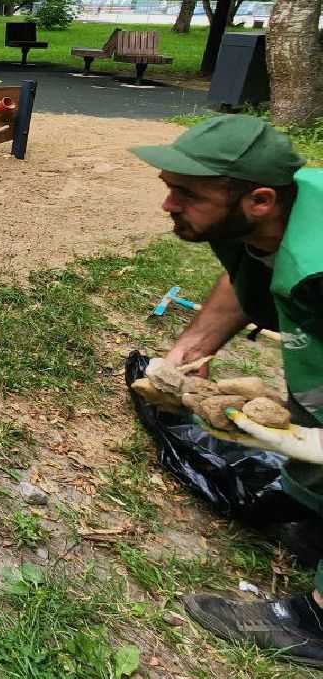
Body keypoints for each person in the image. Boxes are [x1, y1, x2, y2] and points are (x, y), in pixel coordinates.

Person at [131, 115, 323, 666]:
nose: (168, 205)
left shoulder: (317, 269)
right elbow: (249, 276)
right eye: (169, 188)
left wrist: (314, 443)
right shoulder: (279, 209)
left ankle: (315, 623)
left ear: (260, 200)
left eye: (185, 194)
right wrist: (186, 356)